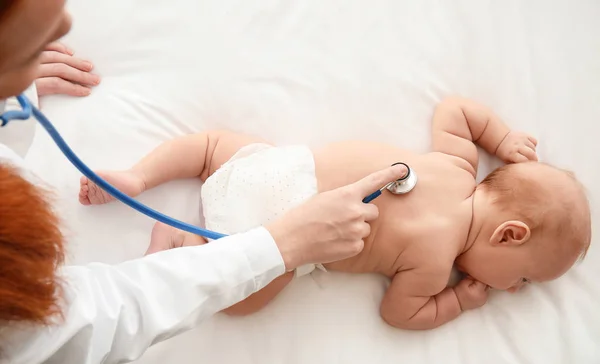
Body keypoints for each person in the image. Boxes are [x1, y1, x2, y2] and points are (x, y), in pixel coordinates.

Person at [0, 0, 410, 364]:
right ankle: (141, 181)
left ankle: (175, 233)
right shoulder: (457, 172)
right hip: (287, 205)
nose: (67, 24)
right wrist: (283, 245)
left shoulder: (439, 256)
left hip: (281, 211)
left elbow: (404, 309)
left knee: (213, 157)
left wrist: (12, 66)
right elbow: (72, 330)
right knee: (211, 151)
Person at [82, 97, 591, 329]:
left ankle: (141, 177)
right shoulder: (435, 267)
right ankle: (177, 243)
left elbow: (454, 109)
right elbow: (399, 314)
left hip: (280, 168)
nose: (514, 290)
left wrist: (500, 140)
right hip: (275, 240)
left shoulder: (458, 164)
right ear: (508, 234)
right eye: (523, 277)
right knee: (239, 302)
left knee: (214, 145)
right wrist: (457, 302)